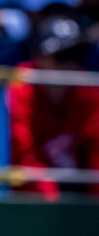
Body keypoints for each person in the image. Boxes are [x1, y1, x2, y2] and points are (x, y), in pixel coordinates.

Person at [8, 15, 99, 199]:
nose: (69, 64)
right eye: (61, 56)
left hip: (79, 193)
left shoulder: (89, 89)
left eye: (76, 55)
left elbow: (95, 153)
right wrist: (51, 197)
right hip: (33, 197)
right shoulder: (21, 83)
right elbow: (22, 153)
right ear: (37, 57)